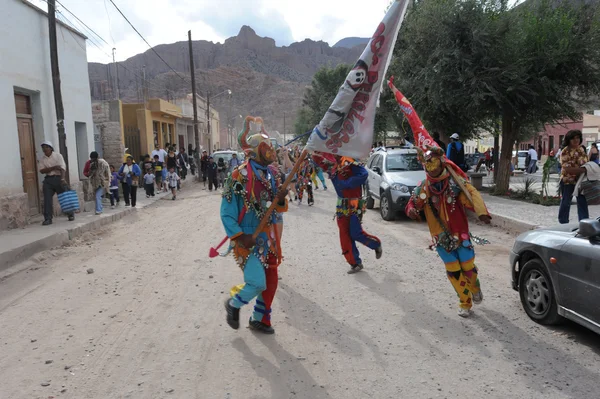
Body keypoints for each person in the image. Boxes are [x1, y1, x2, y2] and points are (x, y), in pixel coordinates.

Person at [406, 146, 491, 318]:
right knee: (453, 270)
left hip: (460, 234)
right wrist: (411, 211)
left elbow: (471, 195)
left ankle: (475, 288)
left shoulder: (456, 183)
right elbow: (412, 204)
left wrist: (481, 212)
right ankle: (465, 302)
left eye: (434, 164)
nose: (432, 168)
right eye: (428, 165)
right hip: (440, 237)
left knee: (468, 268)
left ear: (442, 163)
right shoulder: (424, 187)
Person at [222, 120, 288, 334]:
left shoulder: (270, 174)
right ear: (257, 150)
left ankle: (260, 319)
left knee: (271, 280)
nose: (271, 152)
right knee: (257, 282)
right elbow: (227, 213)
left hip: (267, 239)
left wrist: (280, 199)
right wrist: (241, 237)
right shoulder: (238, 176)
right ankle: (233, 303)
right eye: (267, 148)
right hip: (247, 241)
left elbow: (277, 208)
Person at [313, 153, 383, 274]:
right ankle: (355, 263)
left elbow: (364, 174)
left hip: (354, 204)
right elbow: (318, 160)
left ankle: (375, 244)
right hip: (341, 206)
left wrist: (347, 183)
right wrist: (312, 150)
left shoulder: (350, 162)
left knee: (355, 233)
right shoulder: (332, 165)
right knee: (344, 236)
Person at [39, 141, 75, 225]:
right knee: (47, 199)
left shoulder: (58, 156)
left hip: (58, 178)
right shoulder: (42, 159)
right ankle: (48, 218)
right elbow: (42, 170)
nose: (45, 149)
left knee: (64, 197)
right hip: (48, 180)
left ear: (51, 148)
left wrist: (62, 179)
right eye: (43, 147)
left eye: (46, 147)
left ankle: (70, 214)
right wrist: (54, 167)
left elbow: (62, 168)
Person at [558, 130, 589, 224]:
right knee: (566, 202)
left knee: (582, 202)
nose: (576, 140)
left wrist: (585, 169)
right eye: (573, 138)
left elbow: (586, 164)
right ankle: (563, 222)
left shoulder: (581, 150)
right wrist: (583, 170)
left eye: (578, 138)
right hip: (568, 181)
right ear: (568, 140)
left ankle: (584, 223)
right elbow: (568, 169)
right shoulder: (565, 151)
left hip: (580, 181)